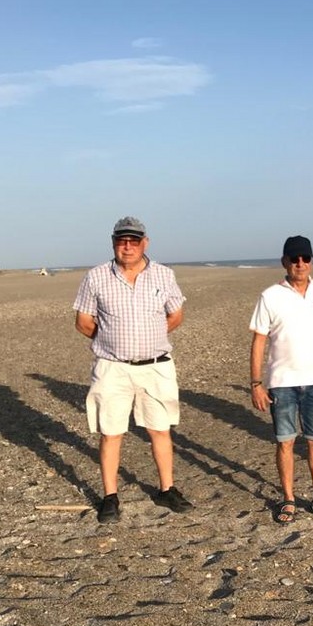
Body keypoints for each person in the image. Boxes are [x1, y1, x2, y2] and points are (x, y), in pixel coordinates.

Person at [73, 216, 192, 523]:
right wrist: (113, 342)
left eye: (133, 241)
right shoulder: (96, 276)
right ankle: (110, 497)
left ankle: (167, 489)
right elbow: (84, 322)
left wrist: (151, 339)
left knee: (160, 429)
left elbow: (176, 315)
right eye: (121, 240)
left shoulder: (164, 275)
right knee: (111, 432)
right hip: (112, 368)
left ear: (145, 243)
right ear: (113, 242)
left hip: (156, 367)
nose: (127, 247)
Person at [249, 235, 313, 525]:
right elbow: (258, 341)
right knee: (286, 443)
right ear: (284, 262)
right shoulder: (270, 296)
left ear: (312, 261)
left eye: (305, 258)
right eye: (294, 259)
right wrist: (256, 383)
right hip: (281, 382)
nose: (300, 264)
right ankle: (289, 498)